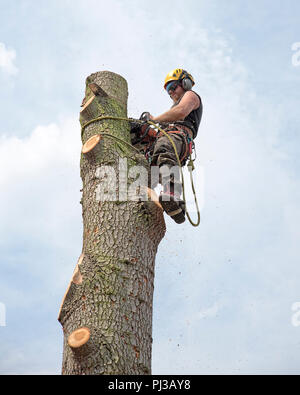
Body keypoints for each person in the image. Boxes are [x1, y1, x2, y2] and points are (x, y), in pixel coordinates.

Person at [132, 68, 203, 224]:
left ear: (185, 83)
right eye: (168, 90)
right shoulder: (171, 112)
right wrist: (144, 130)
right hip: (165, 140)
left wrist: (155, 119)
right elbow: (159, 133)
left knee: (164, 148)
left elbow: (181, 112)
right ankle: (140, 203)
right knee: (143, 165)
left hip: (177, 139)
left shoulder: (190, 96)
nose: (171, 92)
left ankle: (173, 193)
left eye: (173, 87)